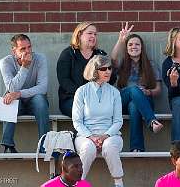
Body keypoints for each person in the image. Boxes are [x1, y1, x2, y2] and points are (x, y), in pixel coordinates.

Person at [72, 55, 124, 187]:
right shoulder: (81, 91)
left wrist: (105, 135)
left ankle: (118, 183)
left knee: (109, 146)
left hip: (111, 135)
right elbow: (77, 121)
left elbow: (118, 121)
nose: (108, 71)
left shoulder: (114, 92)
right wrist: (91, 137)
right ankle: (77, 183)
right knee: (88, 148)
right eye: (103, 68)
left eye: (110, 68)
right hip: (86, 135)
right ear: (95, 70)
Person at [111, 23, 163, 152]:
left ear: (142, 47)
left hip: (143, 101)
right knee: (134, 90)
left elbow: (158, 89)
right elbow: (112, 59)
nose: (134, 46)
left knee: (134, 106)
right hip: (122, 100)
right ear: (126, 48)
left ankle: (137, 148)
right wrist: (121, 40)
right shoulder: (122, 63)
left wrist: (148, 92)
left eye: (137, 44)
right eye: (130, 44)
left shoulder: (150, 65)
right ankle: (152, 121)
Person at [0, 34, 49, 153]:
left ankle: (44, 145)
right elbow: (12, 88)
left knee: (40, 100)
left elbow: (43, 88)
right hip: (17, 104)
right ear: (14, 51)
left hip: (35, 102)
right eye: (23, 49)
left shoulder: (40, 58)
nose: (28, 51)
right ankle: (8, 145)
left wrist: (19, 93)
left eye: (29, 47)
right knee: (9, 99)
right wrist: (25, 67)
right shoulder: (5, 62)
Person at [57, 21, 110, 117]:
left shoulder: (100, 55)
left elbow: (111, 78)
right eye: (90, 33)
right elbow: (64, 80)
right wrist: (84, 95)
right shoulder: (68, 54)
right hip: (71, 99)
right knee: (86, 111)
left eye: (95, 34)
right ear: (79, 35)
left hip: (97, 98)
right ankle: (84, 132)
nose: (93, 36)